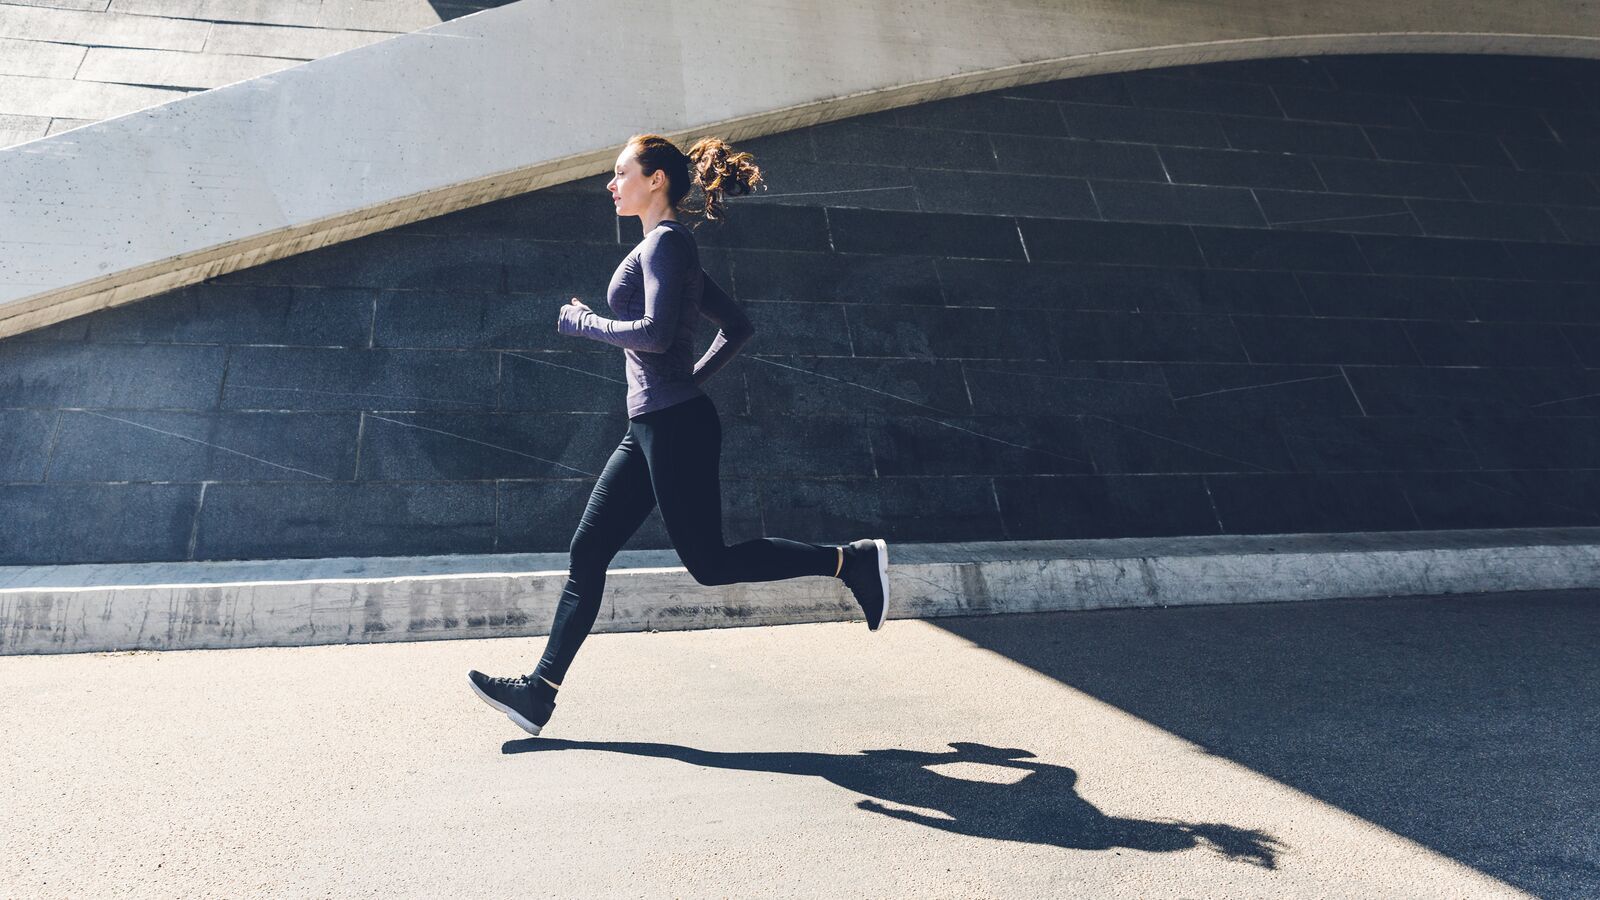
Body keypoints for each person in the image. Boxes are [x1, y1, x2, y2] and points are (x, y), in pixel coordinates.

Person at [468, 133, 889, 737]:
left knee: (710, 564)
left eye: (620, 173)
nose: (611, 185)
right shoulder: (669, 248)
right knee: (588, 551)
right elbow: (737, 327)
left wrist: (585, 322)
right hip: (652, 424)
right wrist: (684, 381)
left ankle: (851, 561)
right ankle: (540, 693)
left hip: (674, 427)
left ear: (656, 179)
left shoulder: (666, 244)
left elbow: (656, 334)